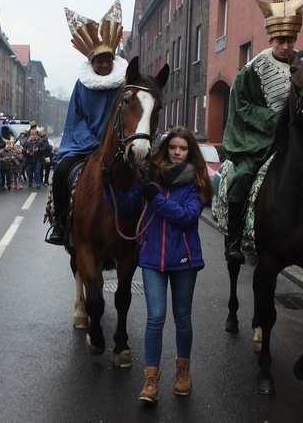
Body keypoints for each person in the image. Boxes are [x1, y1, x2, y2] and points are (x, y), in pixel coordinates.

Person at [102, 127, 214, 402]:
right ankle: (150, 379)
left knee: (182, 318)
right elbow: (127, 206)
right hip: (152, 258)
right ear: (165, 150)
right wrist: (109, 187)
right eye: (173, 147)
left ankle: (183, 371)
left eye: (183, 148)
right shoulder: (150, 177)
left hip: (184, 261)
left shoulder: (196, 182)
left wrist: (157, 199)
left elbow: (187, 217)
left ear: (190, 152)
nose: (177, 152)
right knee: (155, 317)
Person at [221, 0, 303, 263]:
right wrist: (276, 119)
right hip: (257, 140)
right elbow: (241, 108)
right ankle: (234, 237)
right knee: (240, 177)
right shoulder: (251, 71)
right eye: (281, 41)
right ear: (270, 41)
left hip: (297, 138)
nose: (286, 46)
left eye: (290, 41)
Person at [46, 0, 128, 245]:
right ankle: (60, 224)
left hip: (117, 146)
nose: (104, 64)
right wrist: (93, 143)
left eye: (108, 60)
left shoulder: (123, 85)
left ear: (113, 60)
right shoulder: (82, 86)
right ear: (92, 63)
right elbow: (76, 119)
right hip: (85, 146)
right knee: (61, 171)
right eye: (99, 61)